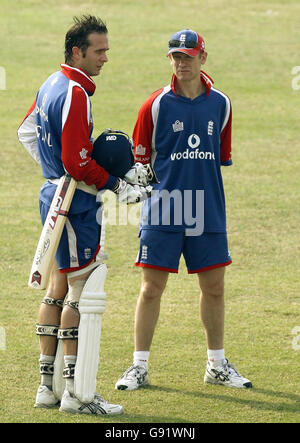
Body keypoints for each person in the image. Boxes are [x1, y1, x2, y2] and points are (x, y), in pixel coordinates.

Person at [18, 15, 149, 416]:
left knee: (56, 288)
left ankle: (47, 388)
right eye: (99, 50)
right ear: (78, 51)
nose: (105, 58)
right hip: (74, 200)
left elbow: (26, 132)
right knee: (81, 292)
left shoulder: (48, 84)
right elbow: (78, 162)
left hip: (52, 196)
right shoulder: (75, 92)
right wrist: (115, 185)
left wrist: (52, 172)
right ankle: (77, 394)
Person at [115, 29, 252, 391]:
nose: (181, 62)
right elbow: (139, 165)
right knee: (151, 289)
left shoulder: (221, 104)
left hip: (207, 210)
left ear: (203, 58)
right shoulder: (155, 105)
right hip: (164, 210)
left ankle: (217, 365)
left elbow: (220, 158)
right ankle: (139, 366)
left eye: (188, 56)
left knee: (216, 288)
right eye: (175, 56)